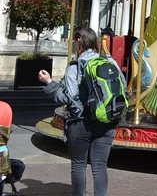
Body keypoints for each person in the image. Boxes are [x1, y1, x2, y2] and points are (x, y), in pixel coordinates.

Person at [39, 27, 120, 196]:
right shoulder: (111, 63)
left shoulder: (75, 66)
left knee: (78, 165)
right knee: (100, 166)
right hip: (106, 121)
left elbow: (66, 97)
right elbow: (122, 89)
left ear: (78, 41)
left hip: (80, 122)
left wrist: (49, 83)